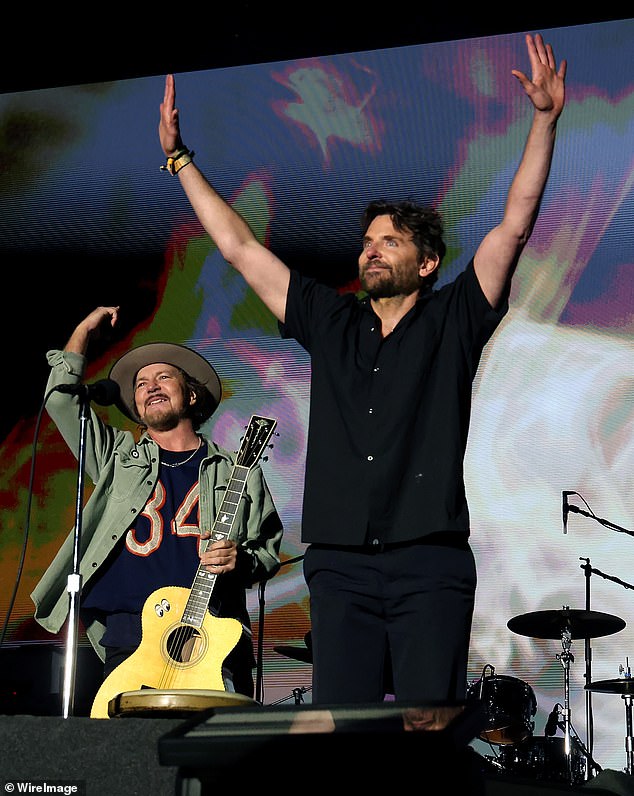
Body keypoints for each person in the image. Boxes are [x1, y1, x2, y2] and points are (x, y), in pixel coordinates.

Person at [156, 32, 566, 706]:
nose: (371, 252)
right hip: (340, 563)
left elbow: (515, 225)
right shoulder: (331, 319)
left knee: (426, 729)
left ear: (426, 263)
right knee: (341, 734)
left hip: (428, 560)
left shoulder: (455, 318)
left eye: (390, 242)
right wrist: (178, 160)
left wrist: (545, 120)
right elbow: (235, 246)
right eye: (367, 242)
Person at [31, 306, 283, 703]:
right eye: (141, 383)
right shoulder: (118, 457)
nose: (151, 385)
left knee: (214, 749)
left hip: (210, 628)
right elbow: (62, 403)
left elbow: (267, 553)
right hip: (133, 630)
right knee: (132, 754)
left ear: (192, 394)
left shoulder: (238, 470)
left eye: (164, 376)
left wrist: (243, 561)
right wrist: (82, 329)